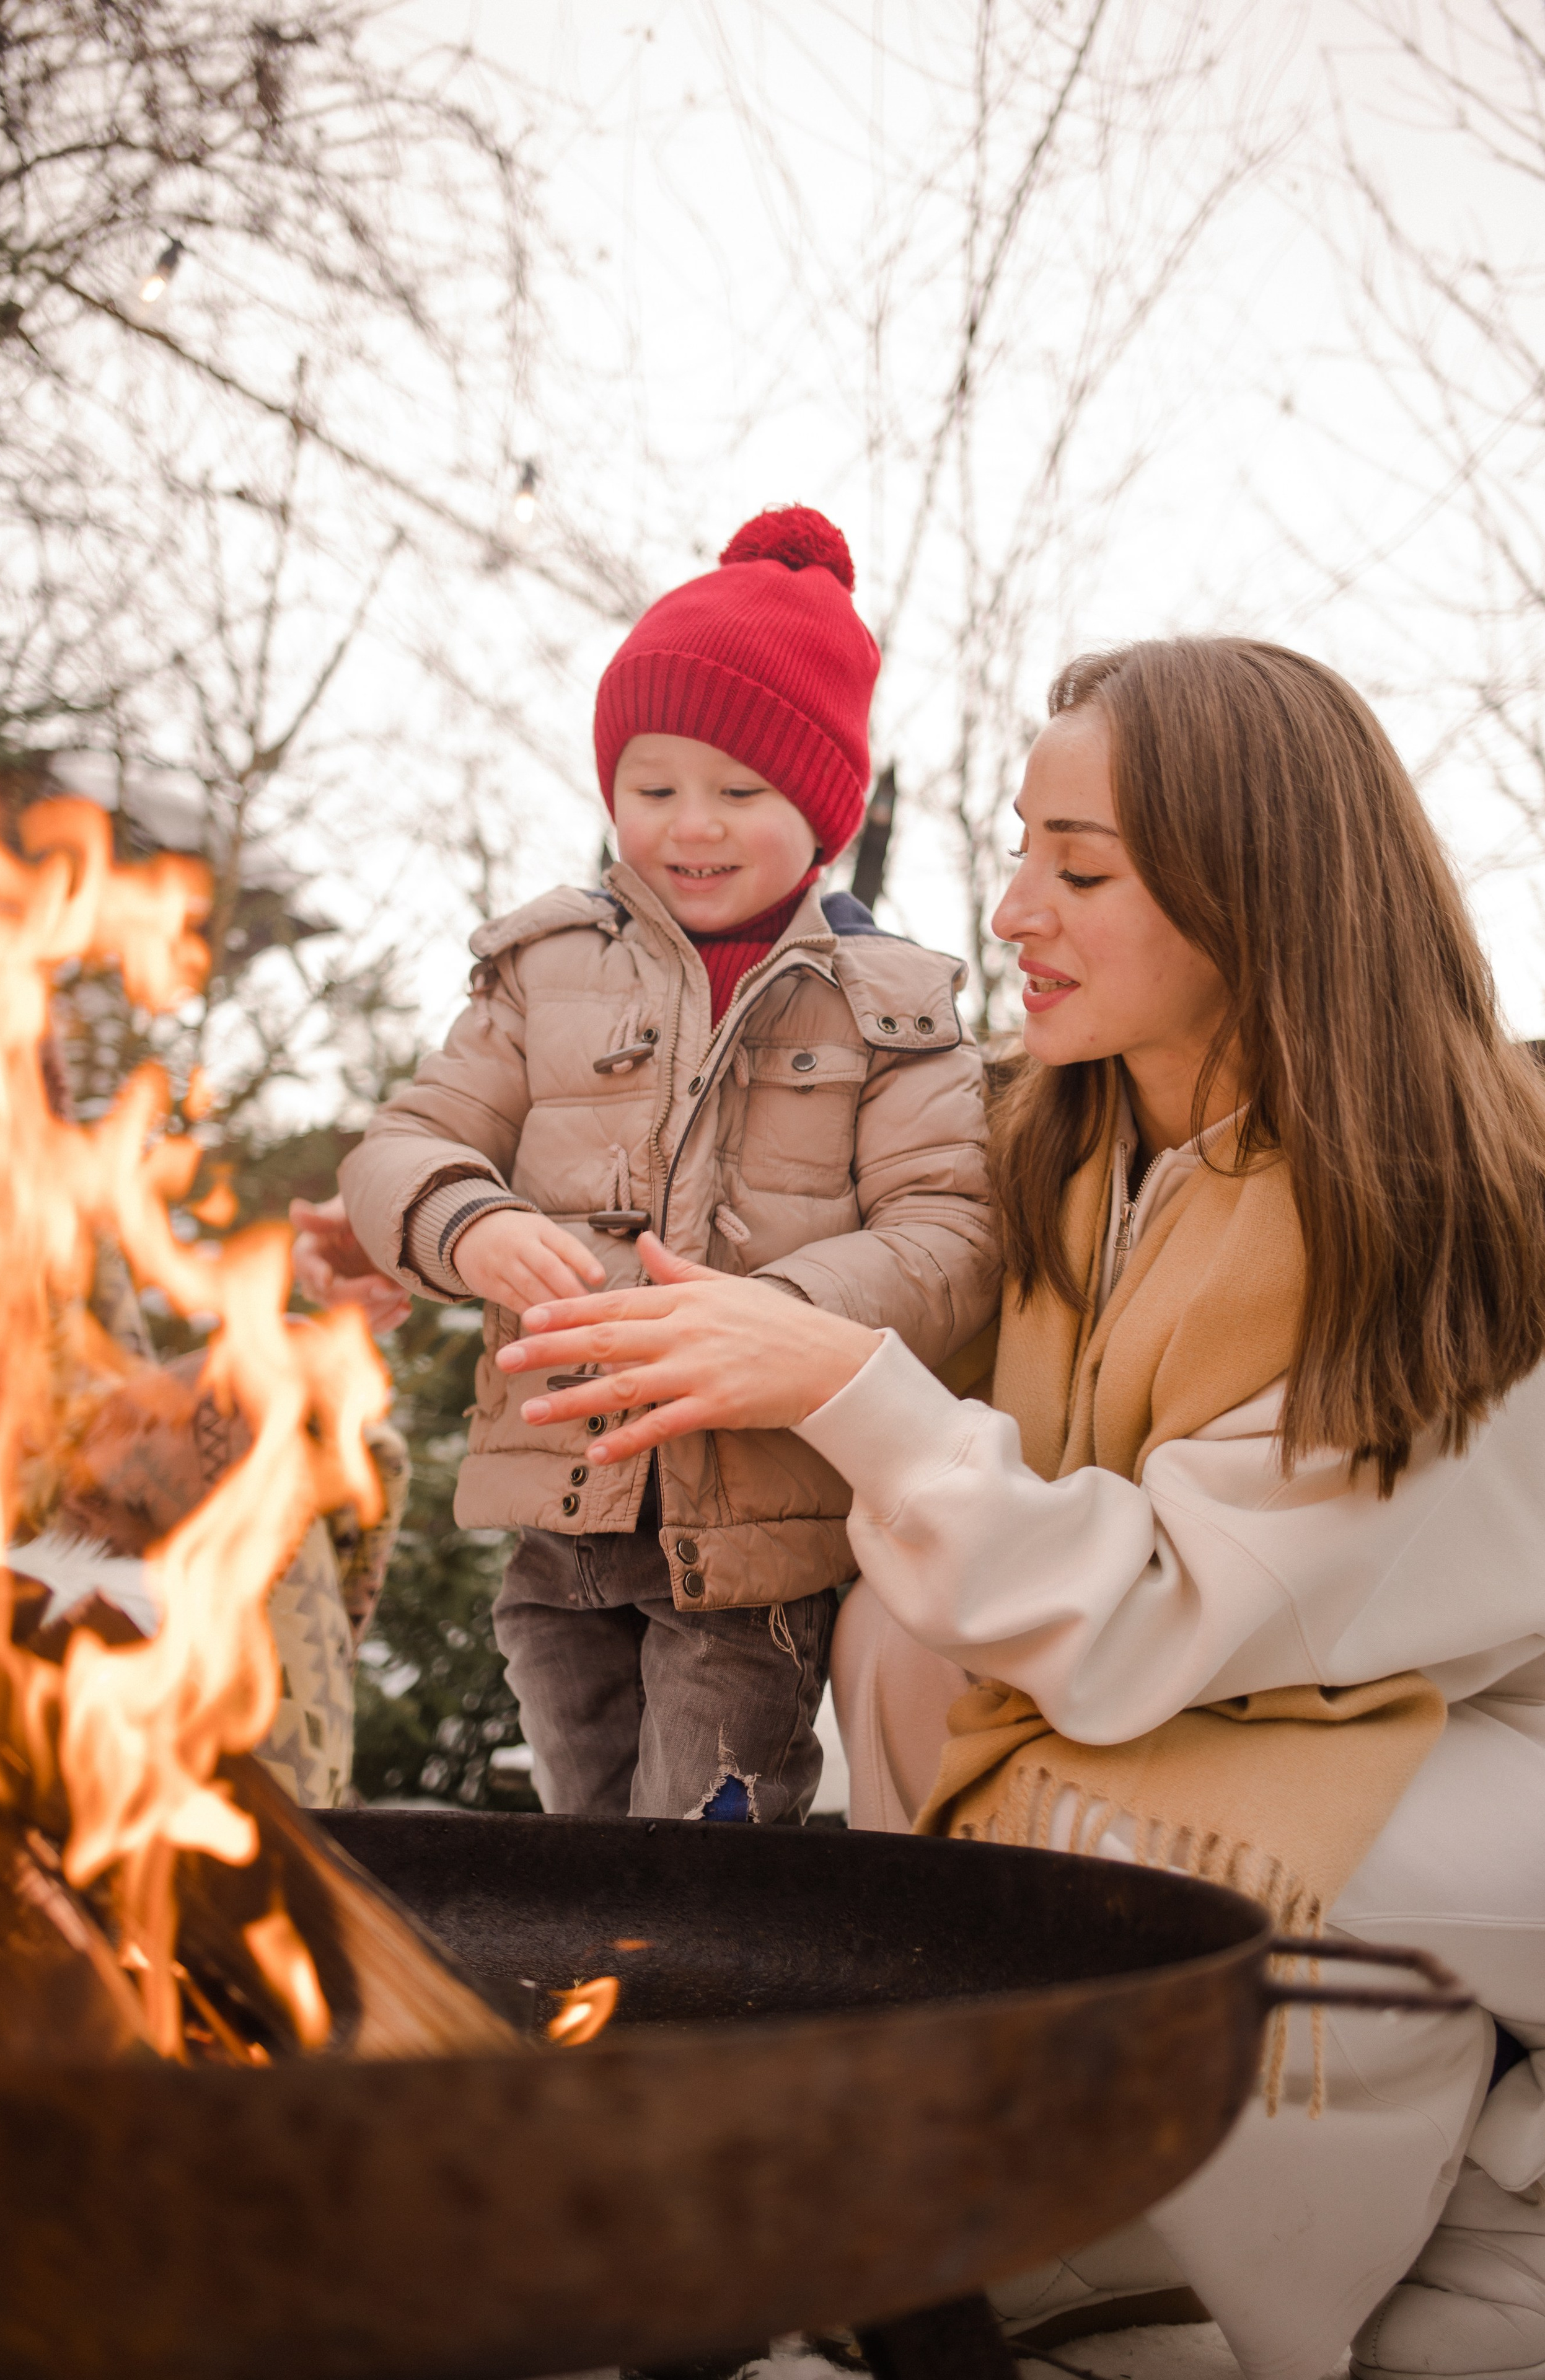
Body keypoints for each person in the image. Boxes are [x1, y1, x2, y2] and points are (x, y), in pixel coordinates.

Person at [485, 637, 1545, 2380]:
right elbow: (807, 1229)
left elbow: (1155, 1619)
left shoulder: (1432, 1201)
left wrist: (841, 1382)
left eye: (1082, 870)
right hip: (1218, 1714)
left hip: (1470, 1780)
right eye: (1017, 851)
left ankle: (1372, 2229)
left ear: (1253, 892)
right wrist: (461, 1242)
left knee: (1107, 1834)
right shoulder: (1073, 1147)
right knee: (911, 1641)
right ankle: (1030, 2220)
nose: (1010, 913)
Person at [329, 506, 1000, 1825]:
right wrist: (465, 1223)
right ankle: (597, 1969)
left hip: (750, 1542)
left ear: (821, 807)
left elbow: (949, 1234)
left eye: (739, 793)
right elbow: (404, 1143)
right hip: (561, 1508)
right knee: (581, 1829)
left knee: (699, 1843)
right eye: (652, 790)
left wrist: (781, 1319)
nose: (692, 826)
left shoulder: (890, 1004)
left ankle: (699, 1969)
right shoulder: (545, 970)